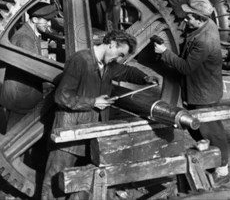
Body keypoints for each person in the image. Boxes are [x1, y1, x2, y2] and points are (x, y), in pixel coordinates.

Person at [41, 30, 159, 200]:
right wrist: (92, 102)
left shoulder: (108, 65)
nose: (118, 59)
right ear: (111, 43)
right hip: (69, 134)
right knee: (55, 183)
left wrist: (145, 77)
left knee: (81, 184)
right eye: (119, 54)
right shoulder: (80, 60)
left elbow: (127, 71)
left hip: (92, 134)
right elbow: (62, 96)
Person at [153, 0, 230, 186]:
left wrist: (164, 52)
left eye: (189, 18)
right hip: (199, 88)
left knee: (212, 131)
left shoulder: (205, 40)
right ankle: (209, 160)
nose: (185, 20)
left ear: (200, 18)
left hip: (204, 93)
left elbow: (186, 67)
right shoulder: (205, 24)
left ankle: (222, 170)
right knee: (200, 130)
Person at [0, 3, 57, 131]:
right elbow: (33, 70)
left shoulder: (31, 34)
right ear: (35, 19)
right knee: (15, 137)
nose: (49, 24)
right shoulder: (24, 38)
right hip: (20, 98)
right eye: (46, 21)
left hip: (22, 95)